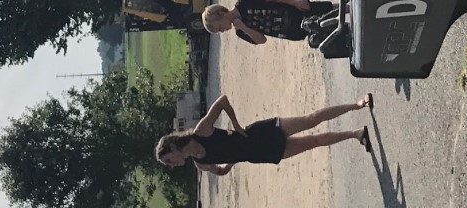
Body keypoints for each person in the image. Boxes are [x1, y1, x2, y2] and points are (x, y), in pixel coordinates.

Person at [154, 92, 373, 173]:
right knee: (313, 141)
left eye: (169, 160)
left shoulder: (201, 131)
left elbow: (222, 101)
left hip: (259, 133)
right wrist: (229, 163)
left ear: (173, 147)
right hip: (260, 155)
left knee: (311, 119)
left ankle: (357, 105)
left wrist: (236, 125)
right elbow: (220, 171)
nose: (172, 164)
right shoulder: (200, 164)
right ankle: (355, 134)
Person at [201, 0, 334, 44]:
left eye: (219, 27)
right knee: (327, 30)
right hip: (290, 30)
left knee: (329, 9)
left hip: (292, 11)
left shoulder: (244, 2)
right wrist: (243, 27)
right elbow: (261, 40)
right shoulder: (240, 32)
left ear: (220, 14)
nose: (222, 31)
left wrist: (294, 2)